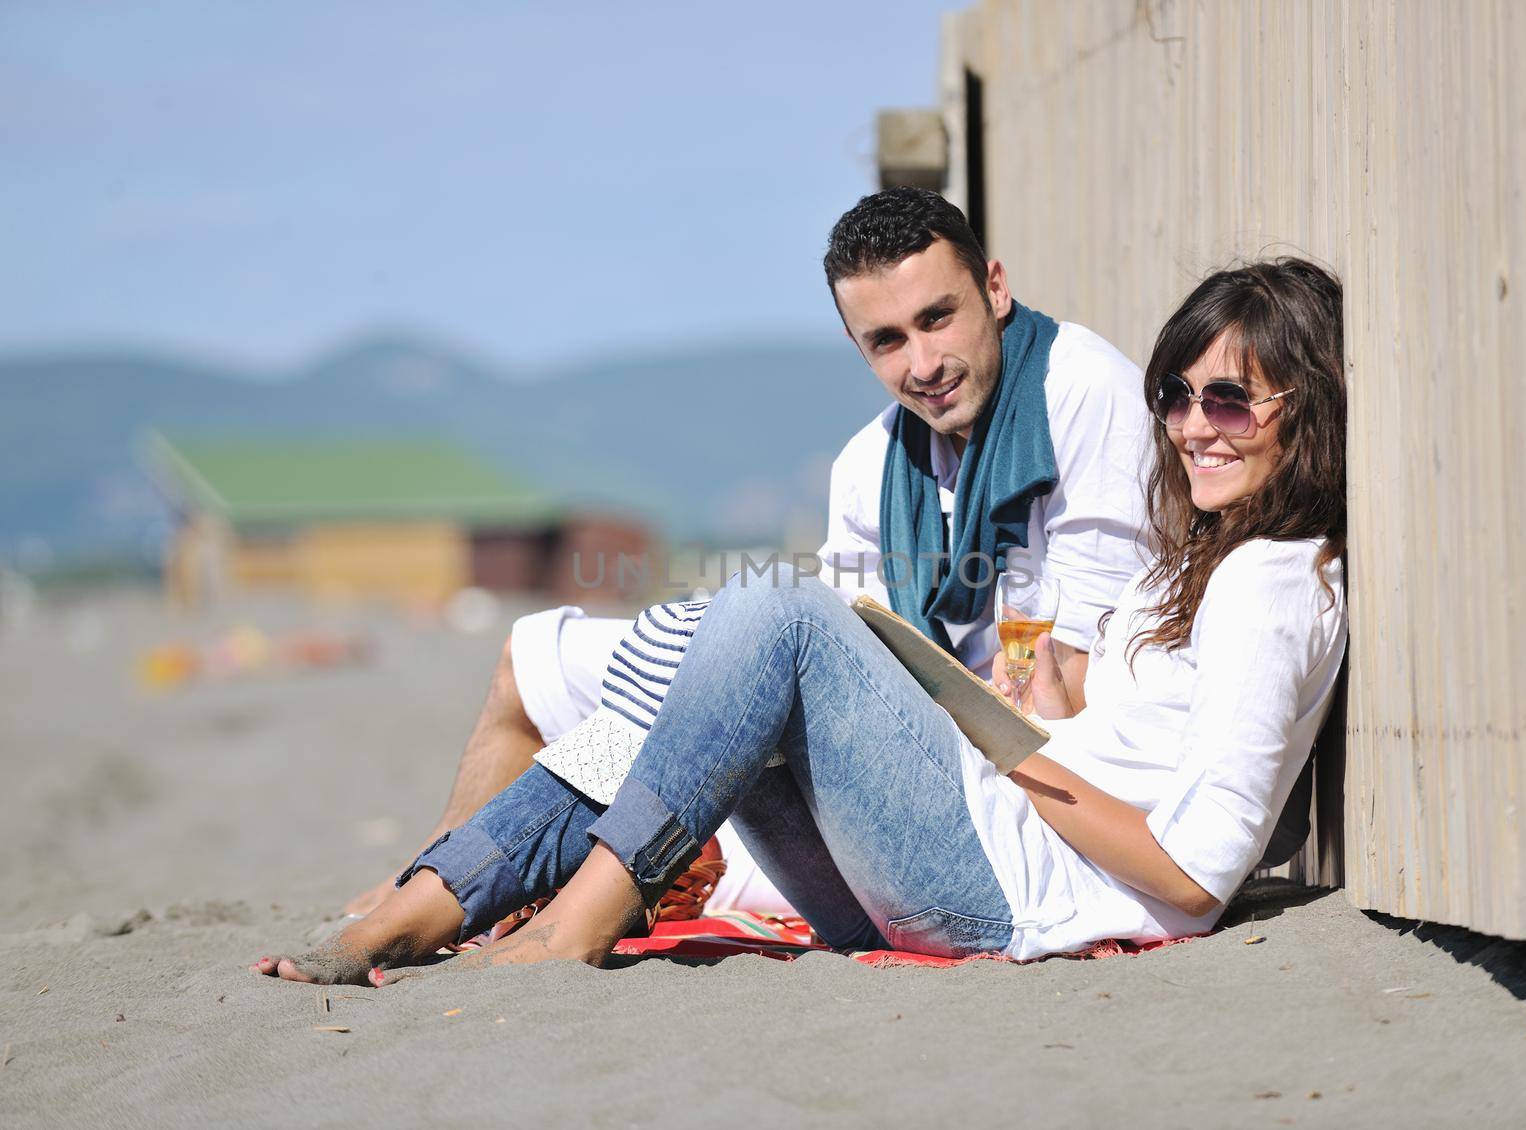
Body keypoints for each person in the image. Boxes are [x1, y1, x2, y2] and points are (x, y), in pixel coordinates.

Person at [258, 257, 1348, 983]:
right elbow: (1112, 742)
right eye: (1178, 394)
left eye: (1230, 398)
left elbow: (1196, 876)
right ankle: (434, 891)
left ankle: (568, 916)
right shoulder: (1200, 567)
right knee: (696, 681)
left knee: (778, 609)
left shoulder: (1275, 583)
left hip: (1010, 887)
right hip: (973, 848)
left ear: (1305, 409)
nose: (1191, 425)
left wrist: (1010, 754)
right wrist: (1027, 705)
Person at [341, 188, 1152, 915]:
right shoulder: (871, 463)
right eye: (886, 340)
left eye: (938, 318)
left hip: (1016, 803)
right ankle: (441, 877)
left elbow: (1069, 683)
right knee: (536, 657)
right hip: (891, 745)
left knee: (743, 651)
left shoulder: (1078, 394)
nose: (923, 364)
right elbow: (864, 644)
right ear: (854, 343)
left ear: (996, 289)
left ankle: (508, 899)